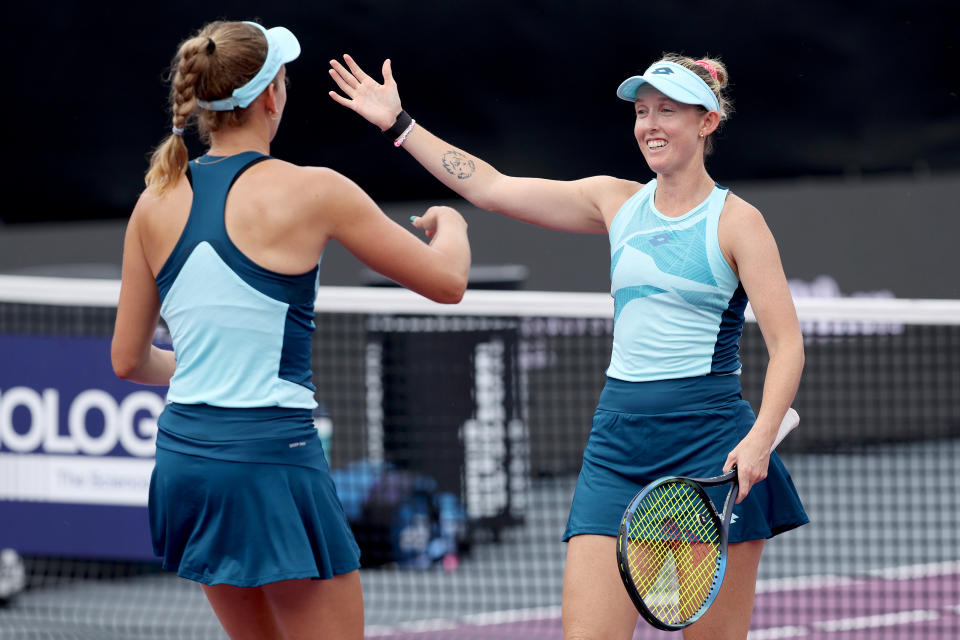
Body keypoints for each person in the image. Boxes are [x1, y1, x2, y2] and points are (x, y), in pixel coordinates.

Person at [328, 53, 808, 639]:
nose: (649, 124)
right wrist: (399, 123)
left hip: (710, 446)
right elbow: (493, 187)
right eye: (641, 111)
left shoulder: (738, 222)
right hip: (617, 444)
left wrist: (759, 440)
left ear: (707, 121)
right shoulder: (614, 201)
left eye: (668, 111)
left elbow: (787, 345)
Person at [111, 20, 470, 640]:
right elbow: (448, 283)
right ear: (272, 95)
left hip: (186, 466)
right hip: (271, 462)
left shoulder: (155, 200)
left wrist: (211, 370)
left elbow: (128, 361)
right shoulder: (316, 191)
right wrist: (454, 227)